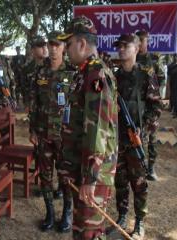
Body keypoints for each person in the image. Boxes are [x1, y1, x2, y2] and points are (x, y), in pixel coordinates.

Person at [57, 16, 118, 239]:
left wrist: (90, 177)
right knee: (82, 229)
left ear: (82, 44)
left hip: (93, 173)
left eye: (69, 44)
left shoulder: (96, 75)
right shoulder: (84, 73)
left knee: (89, 232)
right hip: (83, 169)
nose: (66, 50)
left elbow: (97, 130)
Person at [109, 33, 161, 240]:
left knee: (139, 182)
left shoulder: (146, 74)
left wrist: (144, 129)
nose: (121, 49)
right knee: (120, 180)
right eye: (119, 46)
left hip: (136, 138)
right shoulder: (114, 77)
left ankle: (139, 221)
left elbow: (155, 108)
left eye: (125, 45)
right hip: (117, 139)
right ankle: (122, 216)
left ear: (137, 48)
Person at [29, 31, 75, 232]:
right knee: (46, 177)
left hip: (65, 136)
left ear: (64, 47)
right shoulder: (40, 72)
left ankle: (66, 213)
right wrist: (32, 129)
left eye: (58, 44)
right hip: (43, 134)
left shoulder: (73, 72)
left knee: (66, 177)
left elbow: (78, 107)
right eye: (51, 44)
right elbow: (34, 102)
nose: (53, 48)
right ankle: (49, 213)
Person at [135, 30, 164, 181]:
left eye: (142, 40)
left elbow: (160, 79)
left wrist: (156, 96)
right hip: (136, 104)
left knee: (152, 137)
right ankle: (141, 165)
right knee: (138, 137)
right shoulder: (132, 58)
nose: (140, 43)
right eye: (138, 40)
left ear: (147, 41)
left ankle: (151, 167)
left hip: (151, 103)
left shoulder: (153, 59)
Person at [22, 36, 48, 109]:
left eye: (45, 45)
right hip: (34, 110)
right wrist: (27, 104)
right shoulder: (27, 69)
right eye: (40, 46)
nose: (44, 48)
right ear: (32, 50)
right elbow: (25, 89)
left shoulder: (53, 66)